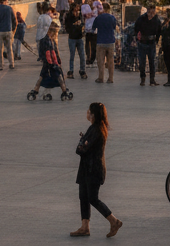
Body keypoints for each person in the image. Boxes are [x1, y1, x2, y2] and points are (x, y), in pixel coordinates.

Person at [70, 102, 121, 238]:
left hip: (93, 169)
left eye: (89, 111)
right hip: (87, 168)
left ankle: (114, 221)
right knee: (83, 197)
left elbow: (81, 150)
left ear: (93, 115)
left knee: (92, 198)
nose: (87, 113)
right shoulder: (95, 128)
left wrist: (82, 143)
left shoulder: (96, 130)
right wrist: (83, 142)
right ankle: (85, 226)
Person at [134, 1, 162, 86]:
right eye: (150, 12)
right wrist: (137, 39)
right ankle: (142, 78)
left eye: (153, 12)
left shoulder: (156, 20)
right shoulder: (141, 19)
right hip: (142, 43)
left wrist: (156, 41)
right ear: (147, 11)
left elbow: (159, 32)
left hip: (151, 43)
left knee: (152, 62)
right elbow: (136, 29)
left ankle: (152, 80)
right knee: (142, 62)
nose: (151, 14)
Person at [92, 2, 119, 85]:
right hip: (110, 41)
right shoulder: (112, 18)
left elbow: (93, 29)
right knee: (110, 61)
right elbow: (115, 27)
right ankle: (110, 78)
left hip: (101, 41)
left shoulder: (98, 18)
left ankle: (101, 78)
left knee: (101, 61)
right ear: (109, 9)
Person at [66, 4, 87, 80]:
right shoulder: (69, 16)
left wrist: (81, 27)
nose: (77, 12)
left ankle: (82, 70)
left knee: (82, 55)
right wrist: (74, 27)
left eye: (78, 10)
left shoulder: (80, 15)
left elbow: (82, 24)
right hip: (72, 38)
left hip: (79, 37)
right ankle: (71, 70)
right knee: (72, 55)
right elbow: (67, 27)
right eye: (75, 10)